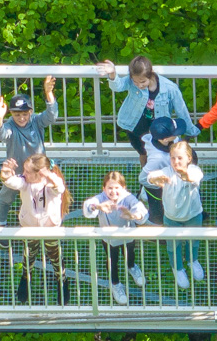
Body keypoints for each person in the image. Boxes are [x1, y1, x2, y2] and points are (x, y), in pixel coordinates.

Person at [95, 56, 199, 166]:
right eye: (135, 82)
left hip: (159, 128)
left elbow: (181, 110)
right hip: (135, 124)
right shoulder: (130, 81)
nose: (139, 85)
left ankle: (164, 177)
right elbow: (118, 86)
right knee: (143, 152)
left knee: (162, 152)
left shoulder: (169, 88)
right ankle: (146, 176)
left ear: (151, 75)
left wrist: (191, 131)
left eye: (143, 82)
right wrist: (112, 73)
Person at [0, 153, 70, 304]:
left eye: (28, 171)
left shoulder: (51, 186)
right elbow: (12, 182)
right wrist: (5, 174)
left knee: (55, 257)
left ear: (40, 173)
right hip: (30, 228)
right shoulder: (25, 182)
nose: (24, 174)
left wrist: (49, 176)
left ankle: (62, 281)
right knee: (29, 255)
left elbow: (59, 187)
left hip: (50, 229)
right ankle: (26, 278)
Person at [0, 78, 58, 226]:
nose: (21, 118)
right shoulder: (9, 125)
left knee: (47, 197)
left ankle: (49, 225)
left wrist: (48, 93)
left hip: (40, 172)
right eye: (16, 115)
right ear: (11, 114)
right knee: (4, 198)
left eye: (25, 114)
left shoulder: (36, 121)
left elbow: (51, 116)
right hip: (19, 172)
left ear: (31, 112)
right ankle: (0, 225)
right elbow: (0, 135)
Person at [82, 171, 149, 305]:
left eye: (117, 188)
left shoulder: (128, 198)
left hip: (128, 235)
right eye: (110, 188)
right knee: (112, 260)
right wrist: (97, 206)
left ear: (123, 188)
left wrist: (133, 216)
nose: (113, 192)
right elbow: (90, 205)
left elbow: (139, 209)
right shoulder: (101, 198)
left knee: (130, 253)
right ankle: (115, 284)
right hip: (109, 238)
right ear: (104, 189)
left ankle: (131, 266)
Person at [145, 141, 205, 289]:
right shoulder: (166, 171)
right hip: (172, 217)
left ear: (189, 159)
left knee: (194, 240)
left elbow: (194, 177)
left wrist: (185, 175)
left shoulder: (194, 170)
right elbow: (150, 176)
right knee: (173, 245)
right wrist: (154, 179)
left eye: (180, 158)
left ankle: (192, 260)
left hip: (193, 215)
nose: (176, 161)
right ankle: (177, 268)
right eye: (173, 158)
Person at [138, 116, 181, 225]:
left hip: (174, 180)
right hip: (161, 188)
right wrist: (161, 184)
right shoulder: (157, 159)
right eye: (174, 132)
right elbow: (142, 179)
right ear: (165, 139)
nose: (177, 135)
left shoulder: (168, 140)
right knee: (161, 213)